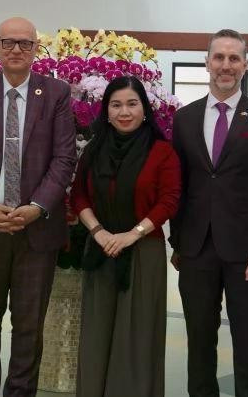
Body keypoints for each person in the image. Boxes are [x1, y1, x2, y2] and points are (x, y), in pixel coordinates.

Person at [0, 16, 77, 396]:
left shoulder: (56, 92)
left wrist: (37, 206)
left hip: (36, 231)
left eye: (25, 43)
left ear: (37, 49)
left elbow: (64, 158)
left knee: (28, 327)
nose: (17, 49)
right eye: (8, 42)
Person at [169, 29, 248, 397]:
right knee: (199, 343)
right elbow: (179, 186)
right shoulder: (184, 119)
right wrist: (178, 242)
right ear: (207, 62)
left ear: (246, 65)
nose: (225, 65)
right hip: (196, 248)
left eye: (234, 58)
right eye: (219, 57)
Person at [69, 75, 181, 396]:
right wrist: (99, 231)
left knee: (137, 335)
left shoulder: (162, 152)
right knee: (97, 331)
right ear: (106, 110)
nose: (124, 111)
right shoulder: (94, 149)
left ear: (145, 108)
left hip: (143, 251)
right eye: (116, 105)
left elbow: (169, 200)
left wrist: (133, 234)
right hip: (100, 249)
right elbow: (79, 197)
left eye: (132, 104)